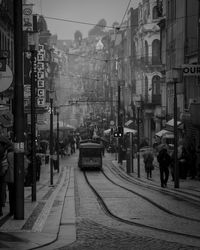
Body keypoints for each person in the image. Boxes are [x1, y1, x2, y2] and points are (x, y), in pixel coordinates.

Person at [5, 144, 15, 216]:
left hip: (9, 177)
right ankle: (16, 209)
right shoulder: (17, 154)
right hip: (17, 177)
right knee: (16, 194)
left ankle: (12, 210)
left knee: (11, 194)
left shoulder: (7, 155)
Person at [0, 141, 8, 216]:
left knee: (2, 190)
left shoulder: (4, 155)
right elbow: (5, 167)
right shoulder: (4, 154)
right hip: (2, 176)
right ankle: (2, 203)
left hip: (2, 175)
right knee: (2, 190)